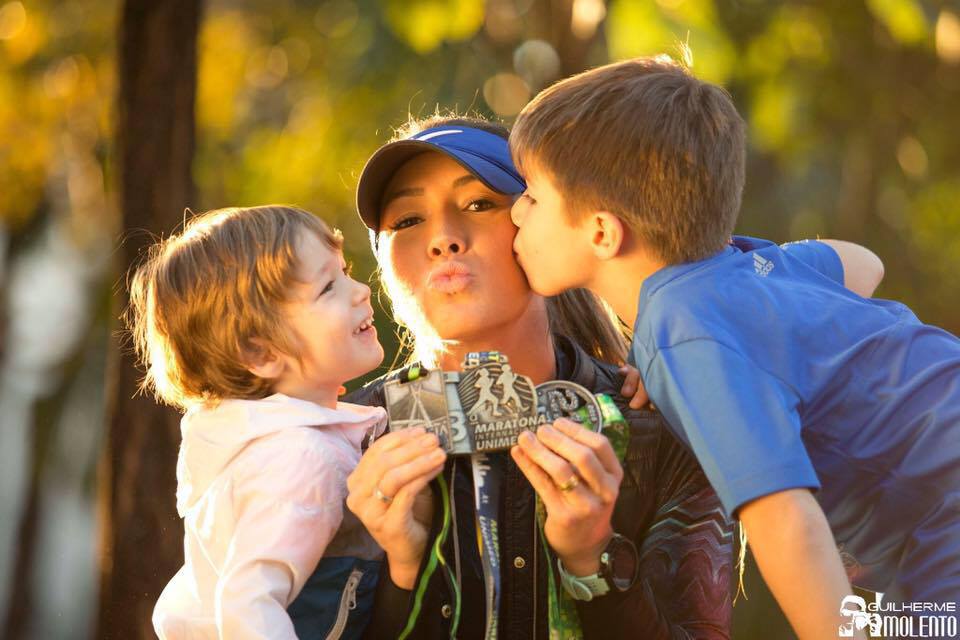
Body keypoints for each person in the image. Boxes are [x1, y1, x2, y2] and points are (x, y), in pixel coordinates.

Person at [508, 56, 960, 639]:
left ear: (602, 232)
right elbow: (862, 263)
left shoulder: (685, 331)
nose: (516, 211)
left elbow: (784, 519)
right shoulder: (739, 271)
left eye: (533, 197)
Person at [342, 114, 736, 640]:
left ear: (541, 229)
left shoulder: (660, 423)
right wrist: (404, 572)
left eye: (479, 204)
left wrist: (591, 560)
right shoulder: (341, 438)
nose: (442, 238)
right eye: (407, 220)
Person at [128, 206, 389, 639]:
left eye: (345, 272)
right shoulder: (298, 460)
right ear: (262, 354)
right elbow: (248, 602)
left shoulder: (261, 443)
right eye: (328, 288)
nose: (360, 290)